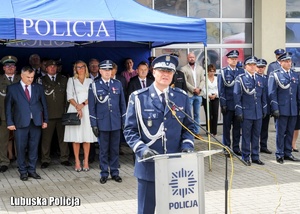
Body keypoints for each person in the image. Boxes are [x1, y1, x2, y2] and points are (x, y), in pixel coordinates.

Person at [124, 54, 194, 214]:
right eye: (161, 70)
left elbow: (189, 127)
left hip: (175, 167)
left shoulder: (181, 97)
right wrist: (142, 150)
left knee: (172, 210)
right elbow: (129, 130)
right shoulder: (139, 98)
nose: (165, 74)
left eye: (169, 71)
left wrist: (187, 146)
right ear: (153, 72)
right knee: (146, 210)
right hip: (148, 166)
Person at [5, 66, 48, 181]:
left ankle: (32, 170)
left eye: (32, 77)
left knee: (34, 147)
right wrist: (9, 122)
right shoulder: (12, 88)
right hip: (20, 123)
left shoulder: (38, 87)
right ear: (22, 76)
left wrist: (45, 120)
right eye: (28, 77)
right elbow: (8, 107)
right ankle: (23, 171)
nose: (30, 79)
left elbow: (44, 105)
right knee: (21, 147)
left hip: (36, 122)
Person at [88, 60, 126, 184]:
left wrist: (124, 120)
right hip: (102, 122)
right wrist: (93, 124)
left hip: (115, 121)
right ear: (100, 71)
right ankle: (104, 173)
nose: (107, 72)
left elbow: (122, 104)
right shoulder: (94, 85)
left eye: (109, 70)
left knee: (115, 149)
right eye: (105, 70)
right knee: (103, 150)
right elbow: (92, 107)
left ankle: (115, 172)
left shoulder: (117, 84)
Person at [64, 60, 97, 172]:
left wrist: (82, 105)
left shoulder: (90, 81)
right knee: (76, 138)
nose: (81, 69)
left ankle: (86, 161)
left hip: (87, 109)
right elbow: (69, 96)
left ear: (85, 68)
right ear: (75, 69)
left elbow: (92, 96)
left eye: (82, 67)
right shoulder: (71, 80)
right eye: (78, 67)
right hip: (74, 109)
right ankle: (77, 161)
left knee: (87, 137)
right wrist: (77, 107)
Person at [234, 56, 267, 166]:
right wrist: (239, 111)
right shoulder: (241, 78)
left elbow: (263, 96)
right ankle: (246, 156)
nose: (253, 67)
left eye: (254, 65)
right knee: (246, 136)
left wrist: (264, 108)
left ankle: (255, 156)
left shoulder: (259, 78)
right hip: (246, 111)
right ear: (245, 66)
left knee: (256, 135)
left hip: (257, 112)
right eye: (250, 65)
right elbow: (236, 95)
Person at [268, 52, 300, 164]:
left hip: (293, 109)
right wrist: (275, 108)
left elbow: (297, 94)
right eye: (286, 61)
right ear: (281, 62)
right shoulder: (276, 74)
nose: (288, 63)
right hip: (281, 109)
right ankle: (279, 153)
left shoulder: (295, 75)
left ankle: (288, 153)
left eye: (289, 61)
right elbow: (272, 93)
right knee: (280, 133)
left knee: (290, 132)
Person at [39, 60, 71, 168]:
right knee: (46, 139)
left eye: (54, 66)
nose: (53, 68)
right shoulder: (41, 80)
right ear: (46, 68)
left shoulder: (63, 79)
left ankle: (64, 158)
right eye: (50, 67)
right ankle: (45, 159)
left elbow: (67, 96)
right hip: (48, 114)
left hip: (62, 113)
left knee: (63, 138)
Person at [217, 50, 244, 156]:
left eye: (235, 59)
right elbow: (221, 89)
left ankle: (236, 147)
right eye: (232, 59)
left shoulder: (241, 72)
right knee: (227, 128)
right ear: (227, 60)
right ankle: (226, 147)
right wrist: (223, 103)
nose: (234, 60)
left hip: (238, 105)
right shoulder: (223, 72)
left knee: (237, 128)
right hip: (228, 105)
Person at [0, 55, 21, 172]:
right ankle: (4, 162)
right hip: (3, 115)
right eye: (7, 66)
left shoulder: (21, 79)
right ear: (3, 68)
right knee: (2, 140)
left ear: (15, 67)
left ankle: (20, 161)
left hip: (19, 115)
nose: (10, 68)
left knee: (20, 139)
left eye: (12, 66)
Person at [181, 52, 205, 137]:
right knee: (188, 115)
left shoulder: (200, 68)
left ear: (195, 58)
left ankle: (196, 132)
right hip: (190, 94)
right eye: (190, 57)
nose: (192, 59)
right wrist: (193, 89)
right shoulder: (183, 69)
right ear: (188, 58)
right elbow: (185, 82)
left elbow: (203, 80)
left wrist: (199, 88)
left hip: (198, 95)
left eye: (193, 57)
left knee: (197, 114)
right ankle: (189, 132)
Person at [256, 59, 272, 154]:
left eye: (262, 67)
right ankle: (254, 146)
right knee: (256, 128)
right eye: (259, 67)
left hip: (266, 107)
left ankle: (263, 146)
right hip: (257, 107)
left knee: (265, 128)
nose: (260, 69)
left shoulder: (268, 78)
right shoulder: (254, 77)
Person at [111, 63, 127, 156]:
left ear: (116, 70)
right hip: (108, 109)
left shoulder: (121, 79)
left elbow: (124, 94)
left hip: (119, 109)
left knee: (118, 130)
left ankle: (118, 148)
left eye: (112, 70)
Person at [202, 64, 219, 136]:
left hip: (215, 97)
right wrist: (208, 95)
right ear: (207, 71)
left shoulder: (217, 78)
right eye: (210, 71)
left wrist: (215, 95)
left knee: (215, 114)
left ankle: (214, 131)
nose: (212, 73)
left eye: (213, 71)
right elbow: (203, 88)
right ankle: (208, 131)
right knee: (208, 115)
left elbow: (219, 88)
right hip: (207, 98)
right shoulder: (204, 78)